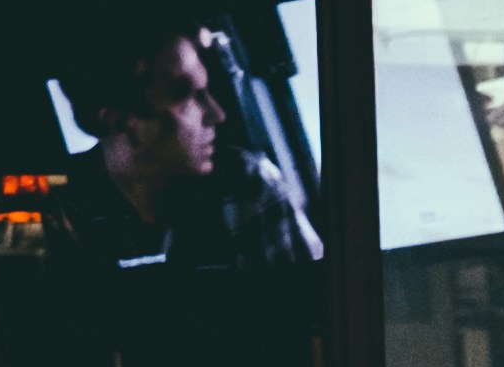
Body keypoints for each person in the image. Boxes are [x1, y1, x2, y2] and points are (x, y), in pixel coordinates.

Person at [60, 15, 321, 271]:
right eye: (185, 96)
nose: (217, 114)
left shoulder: (245, 184)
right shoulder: (67, 212)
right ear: (118, 123)